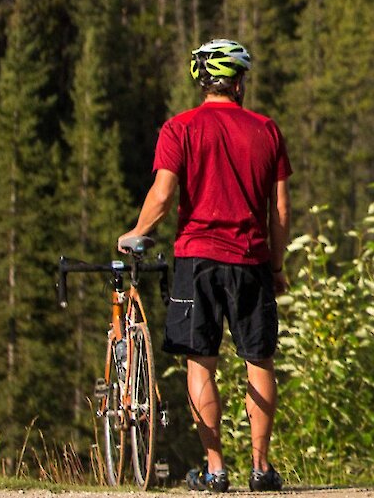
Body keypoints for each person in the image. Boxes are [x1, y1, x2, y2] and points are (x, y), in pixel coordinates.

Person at [122, 39, 292, 494]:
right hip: (252, 258)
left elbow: (162, 195)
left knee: (202, 363)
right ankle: (260, 468)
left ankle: (215, 470)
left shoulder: (180, 128)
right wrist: (276, 264)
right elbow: (279, 210)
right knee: (259, 360)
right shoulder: (266, 130)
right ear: (239, 82)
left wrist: (135, 233)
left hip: (197, 258)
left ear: (202, 79)